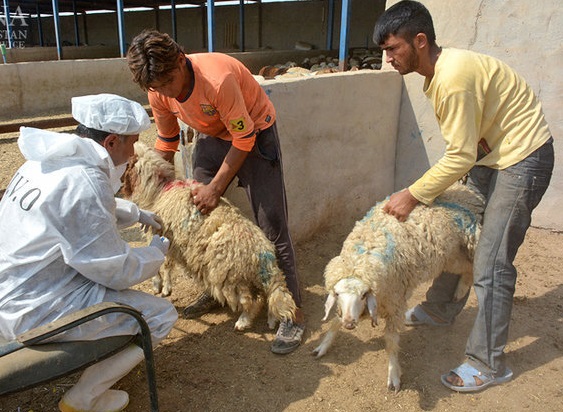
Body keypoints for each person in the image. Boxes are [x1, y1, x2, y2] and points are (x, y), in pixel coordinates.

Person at [373, 1, 554, 393]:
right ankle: (440, 309)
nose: (387, 58)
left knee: (491, 260)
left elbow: (459, 154)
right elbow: (468, 144)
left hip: (523, 158)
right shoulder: (437, 74)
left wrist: (413, 194)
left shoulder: (451, 77)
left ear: (420, 41)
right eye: (385, 51)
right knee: (459, 234)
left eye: (392, 49)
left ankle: (488, 363)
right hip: (493, 153)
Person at [126, 29, 305, 355]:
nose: (165, 91)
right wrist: (159, 188)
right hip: (212, 135)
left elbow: (244, 139)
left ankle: (292, 313)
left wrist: (215, 188)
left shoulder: (217, 80)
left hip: (254, 132)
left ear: (181, 60)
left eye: (168, 81)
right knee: (196, 218)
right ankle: (216, 288)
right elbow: (166, 140)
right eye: (156, 87)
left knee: (272, 224)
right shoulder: (158, 90)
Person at [0, 93, 178, 412]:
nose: (132, 152)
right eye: (132, 143)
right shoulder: (85, 182)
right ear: (111, 141)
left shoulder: (48, 160)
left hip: (13, 289)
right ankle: (84, 398)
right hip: (36, 308)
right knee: (160, 315)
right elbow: (115, 269)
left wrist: (135, 213)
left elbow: (74, 213)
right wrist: (155, 252)